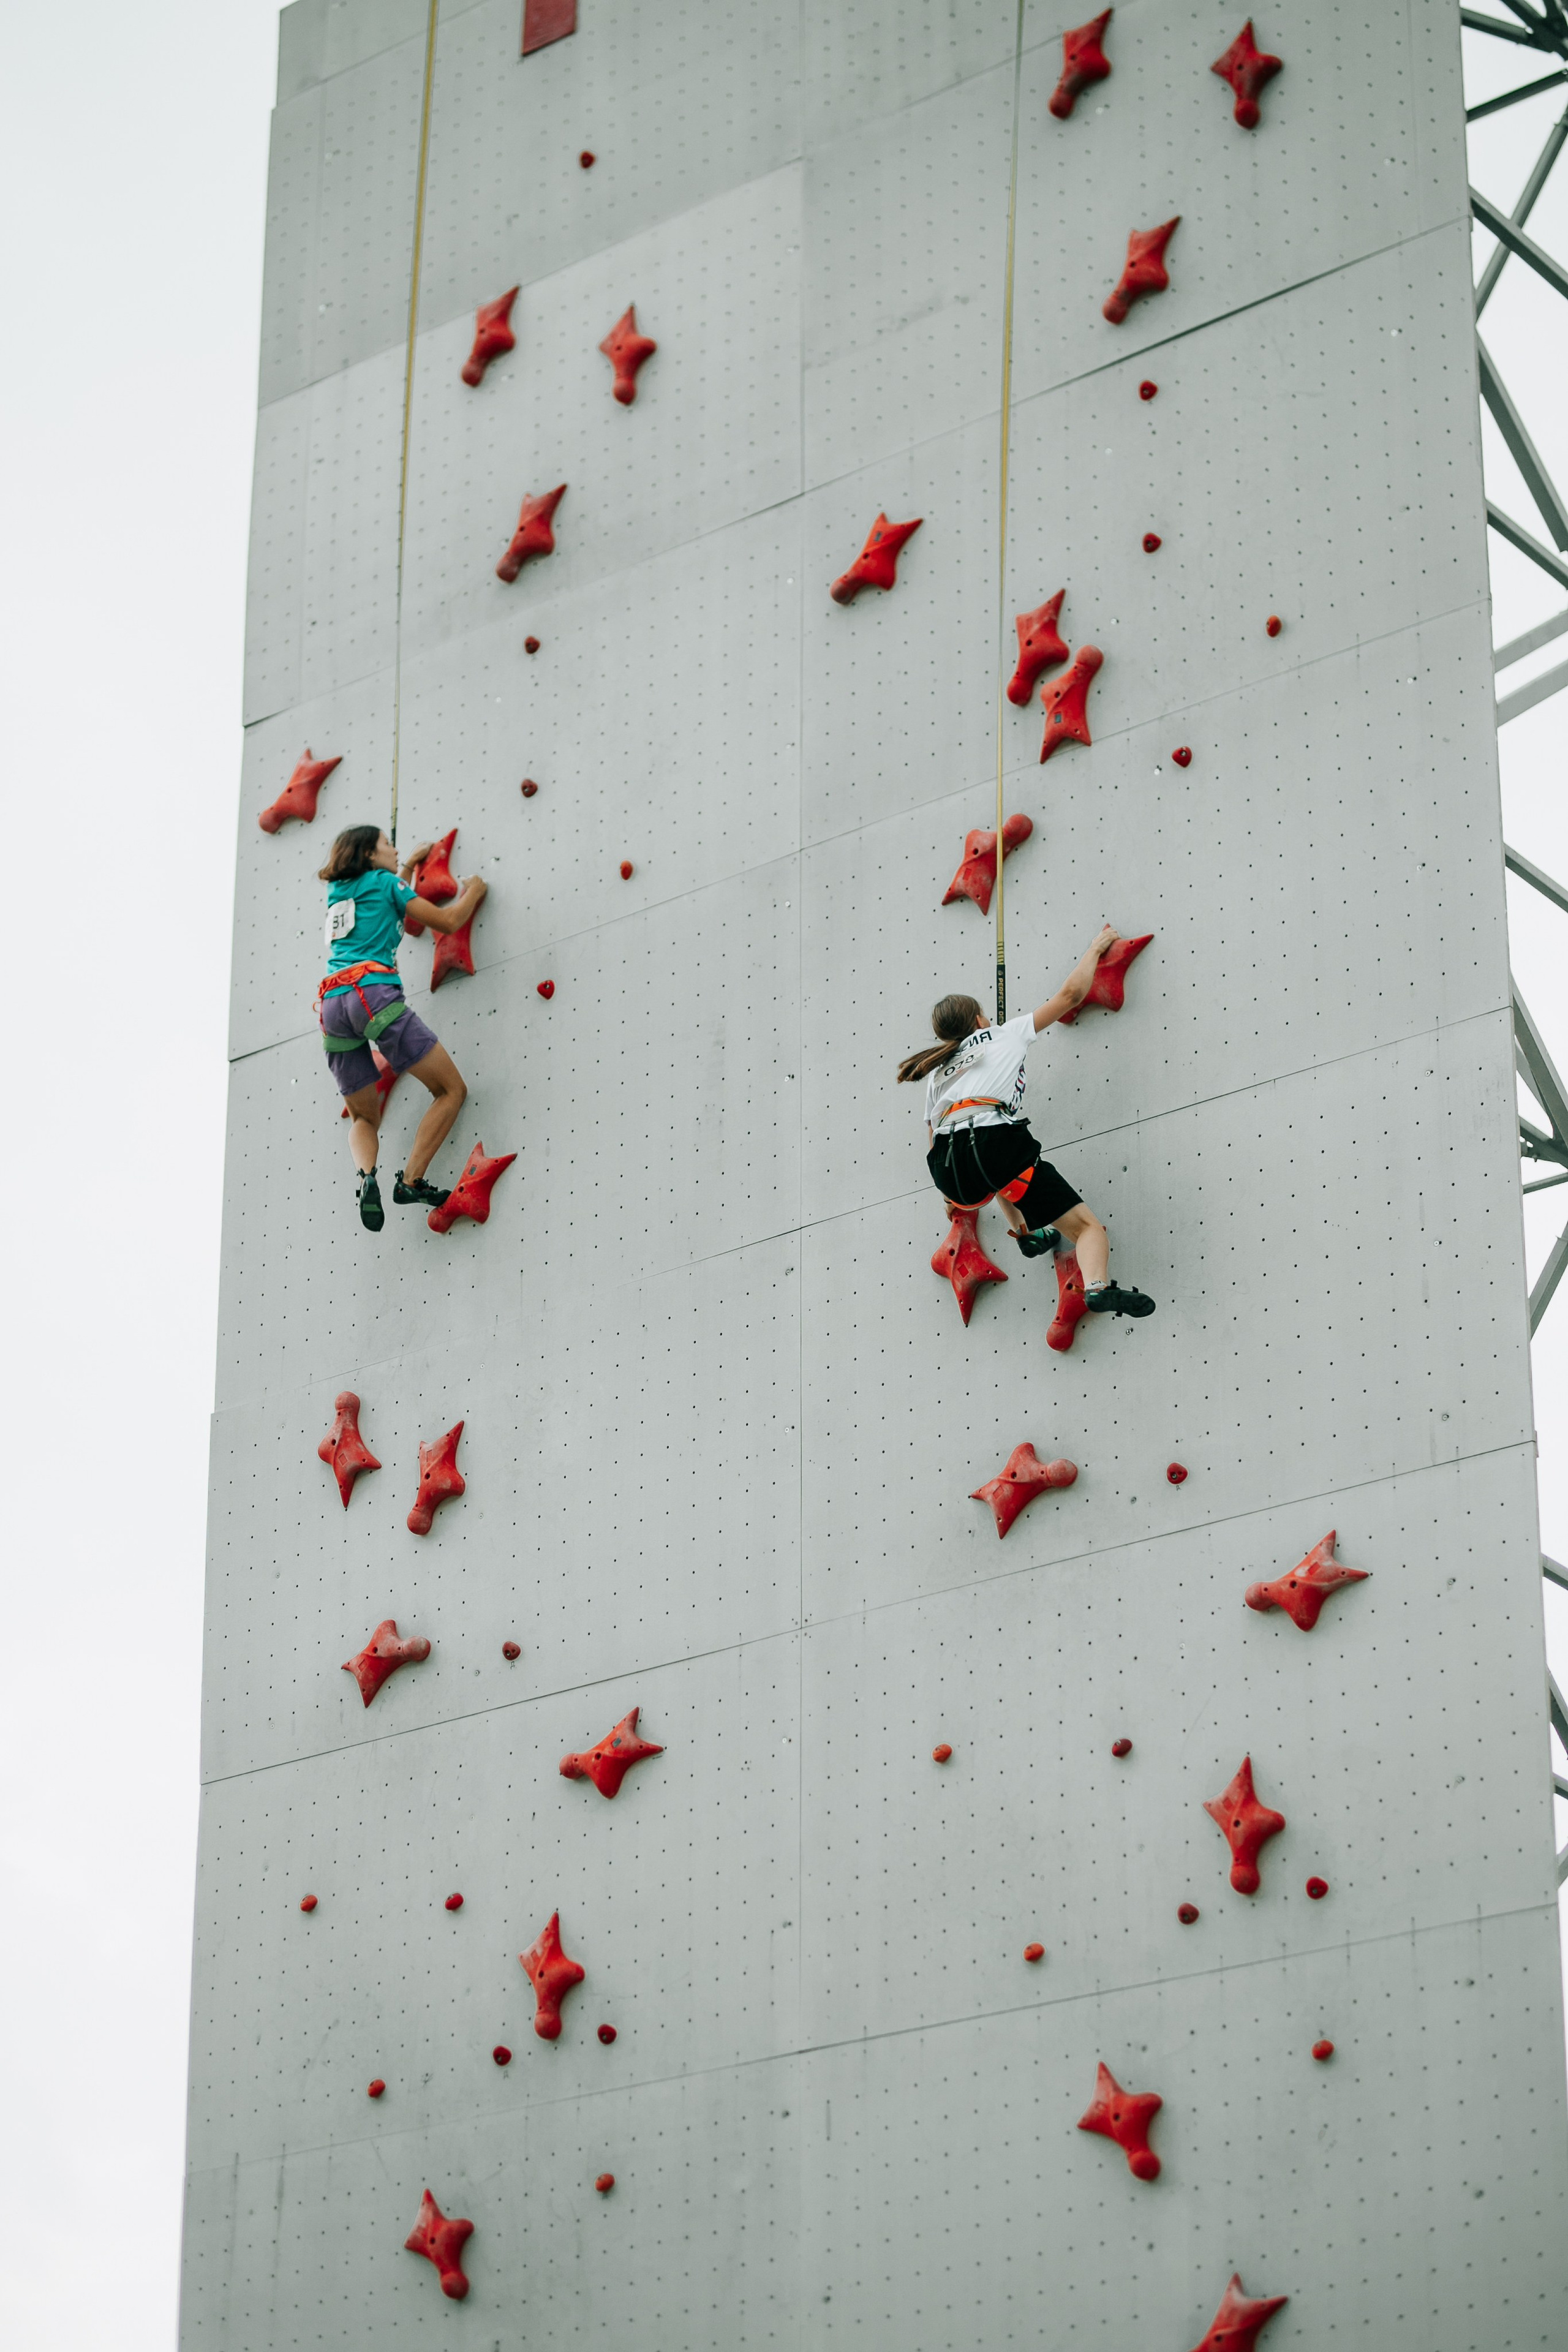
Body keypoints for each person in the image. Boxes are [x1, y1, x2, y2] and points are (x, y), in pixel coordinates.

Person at [897, 925, 1156, 1319]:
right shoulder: (1004, 1034)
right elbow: (1070, 996)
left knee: (1001, 1173)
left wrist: (949, 1196)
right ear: (981, 1019)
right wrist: (1095, 948)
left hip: (950, 1168)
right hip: (992, 1143)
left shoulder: (937, 1071)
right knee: (1086, 1228)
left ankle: (1027, 1234)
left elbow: (934, 1136)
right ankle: (1098, 1287)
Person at [317, 824, 488, 1233]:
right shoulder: (386, 881)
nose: (394, 850)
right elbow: (445, 921)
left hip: (331, 1005)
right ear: (369, 856)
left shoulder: (339, 894)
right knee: (451, 1090)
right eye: (387, 845)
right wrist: (476, 891)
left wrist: (408, 865)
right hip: (371, 993)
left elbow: (396, 916)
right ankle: (410, 1180)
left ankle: (366, 1176)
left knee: (364, 1117)